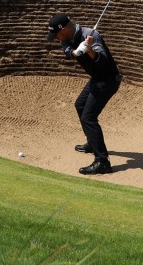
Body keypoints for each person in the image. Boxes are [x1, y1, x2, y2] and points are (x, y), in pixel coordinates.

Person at [47, 12, 121, 175]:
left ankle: (102, 162)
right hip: (97, 78)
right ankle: (92, 142)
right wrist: (78, 51)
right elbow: (69, 53)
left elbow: (103, 60)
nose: (56, 38)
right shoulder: (67, 39)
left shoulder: (91, 36)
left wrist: (90, 51)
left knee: (88, 117)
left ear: (64, 30)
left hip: (108, 79)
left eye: (56, 35)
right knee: (80, 105)